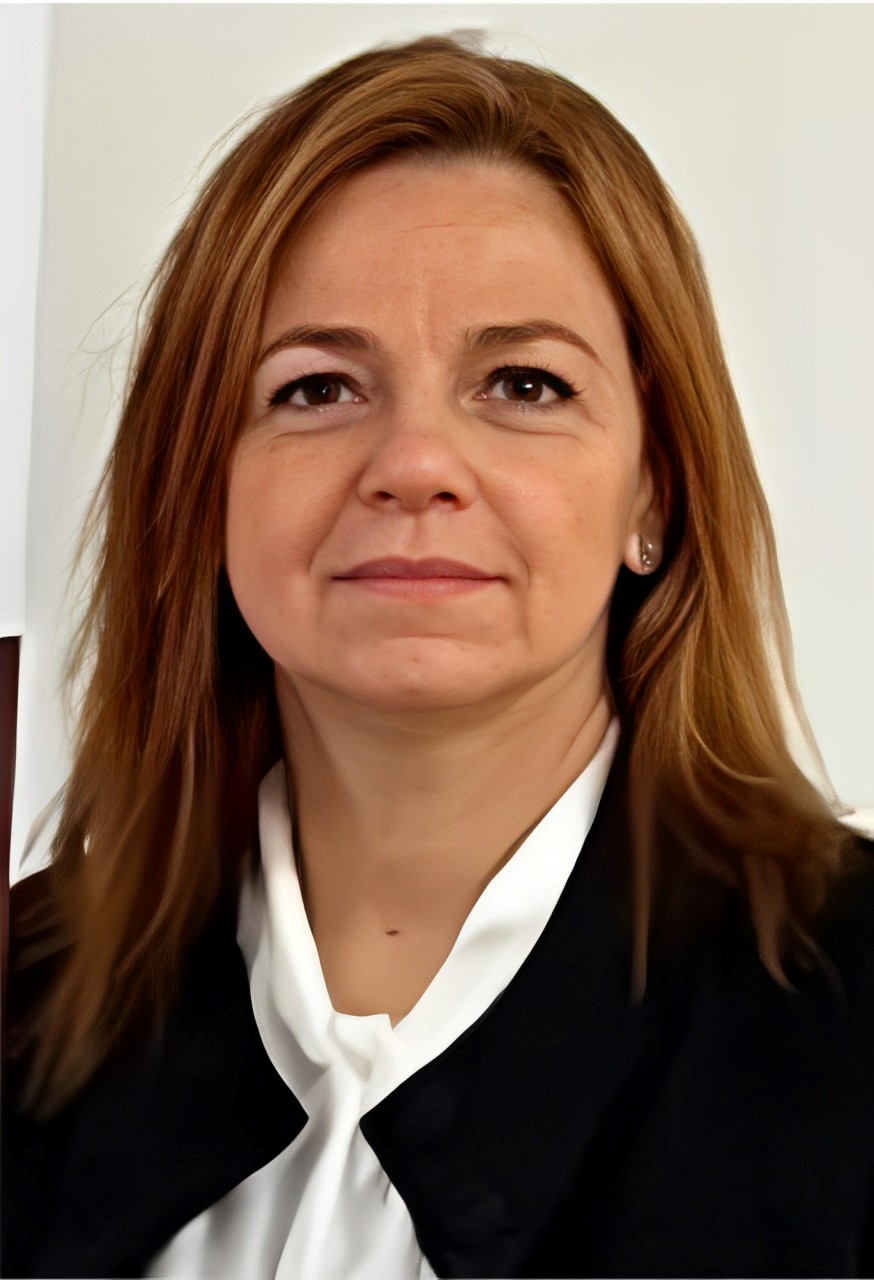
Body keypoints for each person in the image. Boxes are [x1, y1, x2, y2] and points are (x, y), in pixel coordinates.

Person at [3, 33, 872, 1280]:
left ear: (655, 492)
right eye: (315, 388)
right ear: (200, 488)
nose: (414, 464)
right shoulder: (23, 996)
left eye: (522, 383)